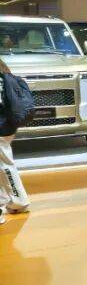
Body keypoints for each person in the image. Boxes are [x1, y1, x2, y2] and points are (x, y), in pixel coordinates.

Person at [0, 61, 31, 222]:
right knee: (4, 166)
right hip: (7, 126)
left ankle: (18, 201)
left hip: (1, 127)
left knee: (5, 167)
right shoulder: (5, 74)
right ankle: (17, 201)